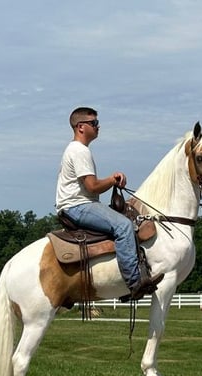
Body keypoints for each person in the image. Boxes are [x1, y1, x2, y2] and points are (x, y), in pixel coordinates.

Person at [55, 107, 163, 300]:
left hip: (77, 204)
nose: (98, 126)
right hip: (78, 206)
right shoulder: (79, 151)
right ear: (81, 127)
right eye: (94, 123)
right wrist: (113, 179)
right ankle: (134, 283)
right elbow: (92, 186)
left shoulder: (77, 150)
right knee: (123, 226)